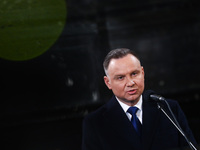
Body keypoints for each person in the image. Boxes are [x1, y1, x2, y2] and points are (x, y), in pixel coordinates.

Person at [82, 48, 197, 150]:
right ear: (108, 82)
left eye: (134, 74)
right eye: (121, 78)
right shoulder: (95, 123)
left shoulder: (168, 109)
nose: (130, 83)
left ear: (142, 73)